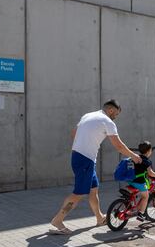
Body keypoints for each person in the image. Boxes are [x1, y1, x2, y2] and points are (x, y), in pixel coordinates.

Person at [50, 99, 142, 235]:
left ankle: (99, 218)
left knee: (94, 189)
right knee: (79, 193)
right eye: (116, 114)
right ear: (111, 110)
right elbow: (118, 146)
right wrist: (134, 156)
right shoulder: (108, 122)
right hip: (85, 160)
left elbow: (74, 134)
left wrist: (84, 144)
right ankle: (58, 220)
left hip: (79, 156)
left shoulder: (88, 115)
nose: (116, 117)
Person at [128, 141, 155, 222]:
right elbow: (150, 173)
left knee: (134, 196)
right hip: (139, 182)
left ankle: (131, 209)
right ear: (148, 151)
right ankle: (141, 213)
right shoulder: (146, 161)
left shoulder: (136, 157)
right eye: (151, 150)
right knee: (145, 196)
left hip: (131, 180)